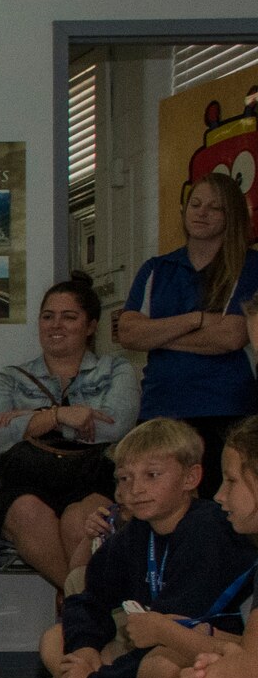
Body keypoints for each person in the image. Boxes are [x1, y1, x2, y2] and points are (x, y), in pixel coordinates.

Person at [83, 415, 258, 678]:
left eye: (232, 481)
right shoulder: (134, 535)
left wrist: (209, 677)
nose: (220, 494)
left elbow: (239, 676)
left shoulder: (205, 531)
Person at [38, 418, 248, 678]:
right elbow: (88, 598)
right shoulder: (133, 533)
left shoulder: (208, 529)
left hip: (196, 643)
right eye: (124, 478)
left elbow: (176, 623)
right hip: (148, 637)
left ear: (190, 478)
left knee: (160, 668)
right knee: (54, 639)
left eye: (152, 476)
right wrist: (86, 649)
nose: (135, 490)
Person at [0, 273, 138, 589]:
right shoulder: (12, 377)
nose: (55, 325)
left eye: (69, 317)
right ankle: (77, 599)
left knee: (83, 520)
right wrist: (62, 415)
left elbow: (116, 427)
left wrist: (27, 421)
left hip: (94, 478)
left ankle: (75, 606)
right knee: (27, 512)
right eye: (48, 317)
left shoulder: (116, 370)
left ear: (91, 326)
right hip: (25, 483)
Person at [115, 171, 258, 499]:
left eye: (214, 207)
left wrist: (159, 333)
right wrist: (196, 319)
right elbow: (129, 333)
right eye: (195, 204)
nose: (202, 212)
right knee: (157, 504)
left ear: (231, 215)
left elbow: (232, 336)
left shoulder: (248, 267)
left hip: (226, 410)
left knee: (217, 511)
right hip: (160, 409)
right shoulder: (157, 268)